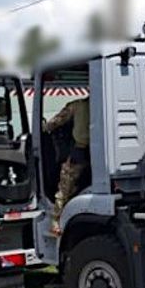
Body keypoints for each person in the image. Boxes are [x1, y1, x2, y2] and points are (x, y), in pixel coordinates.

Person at [43, 97, 90, 235]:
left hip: (80, 152)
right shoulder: (106, 103)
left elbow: (54, 123)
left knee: (65, 187)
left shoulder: (78, 105)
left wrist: (44, 129)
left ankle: (56, 221)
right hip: (100, 154)